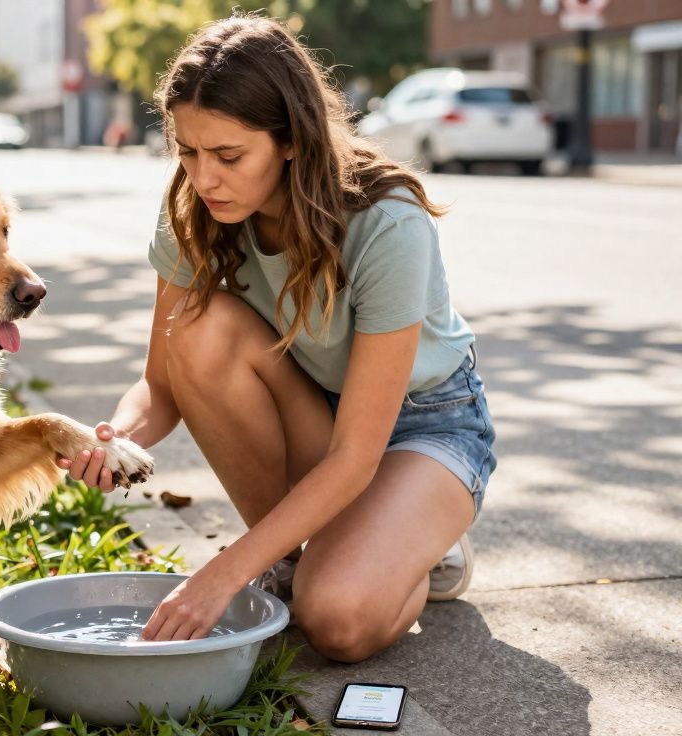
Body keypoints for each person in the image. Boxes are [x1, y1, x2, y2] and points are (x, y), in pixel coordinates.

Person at [55, 13, 497, 663]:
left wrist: (224, 572)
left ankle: (415, 544)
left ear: (290, 140)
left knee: (338, 620)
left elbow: (355, 455)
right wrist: (117, 440)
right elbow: (161, 384)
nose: (204, 179)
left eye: (229, 156)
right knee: (198, 332)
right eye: (188, 152)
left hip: (424, 427)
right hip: (314, 408)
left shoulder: (386, 222)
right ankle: (298, 556)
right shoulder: (194, 205)